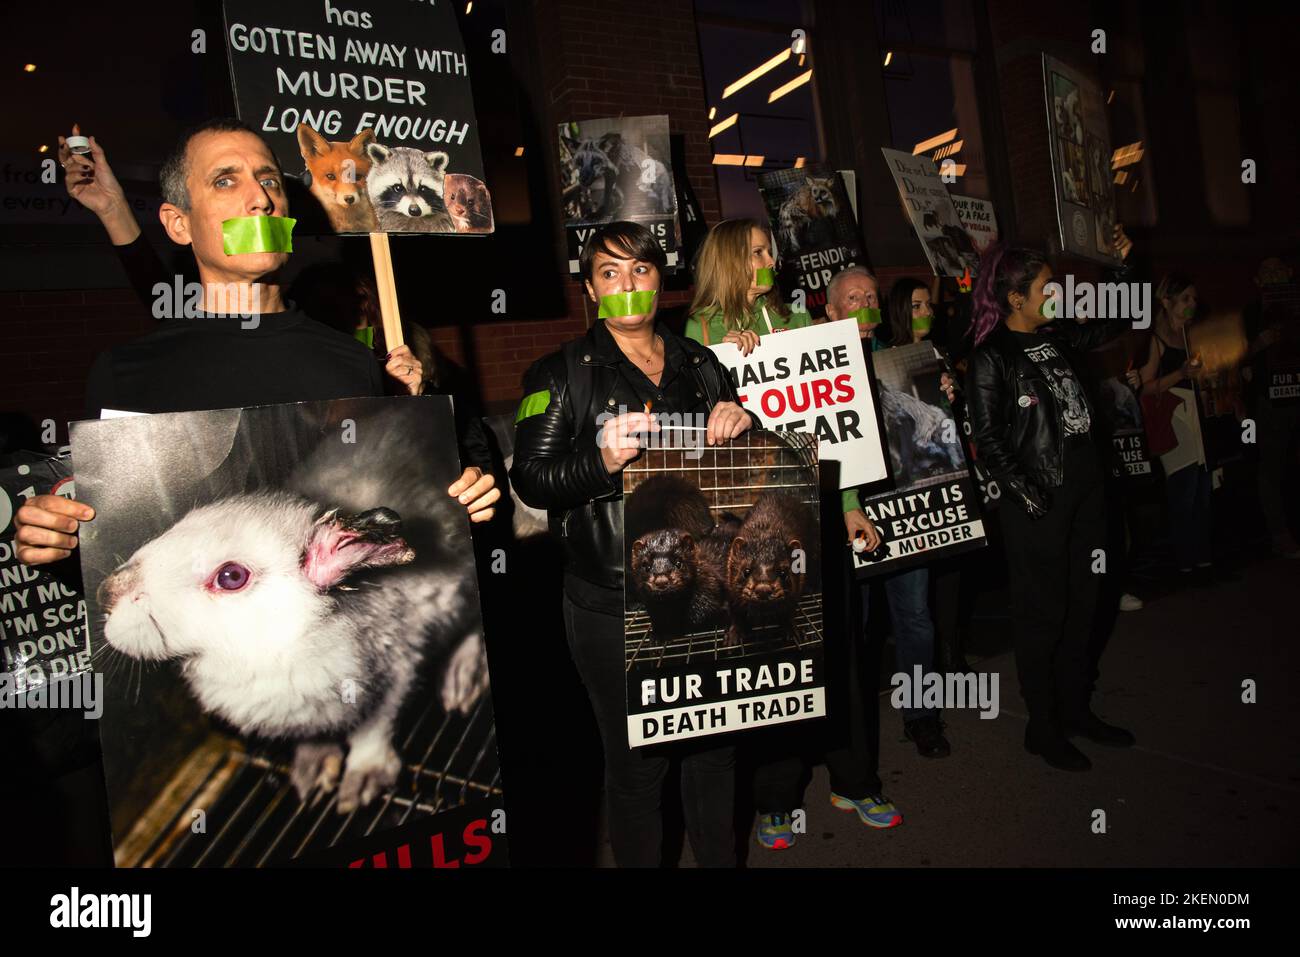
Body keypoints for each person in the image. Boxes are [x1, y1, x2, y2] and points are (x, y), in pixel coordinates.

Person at [17, 117, 499, 569]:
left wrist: (452, 498)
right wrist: (58, 539)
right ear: (178, 224)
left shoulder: (353, 363)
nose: (260, 200)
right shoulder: (127, 373)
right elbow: (116, 552)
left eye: (269, 181)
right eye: (225, 181)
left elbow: (385, 524)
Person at [509, 221, 756, 867]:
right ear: (591, 289)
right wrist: (601, 459)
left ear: (659, 278)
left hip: (705, 592)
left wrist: (740, 421)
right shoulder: (558, 374)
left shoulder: (702, 365)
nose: (627, 285)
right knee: (639, 763)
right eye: (610, 273)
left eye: (640, 270)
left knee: (715, 745)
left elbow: (741, 475)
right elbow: (531, 480)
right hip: (613, 603)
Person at [966, 243, 1135, 772]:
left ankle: (1076, 709)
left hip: (1086, 490)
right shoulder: (992, 355)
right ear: (1016, 298)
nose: (1057, 295)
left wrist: (1124, 270)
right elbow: (989, 441)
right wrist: (1030, 497)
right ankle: (1043, 727)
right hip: (1039, 500)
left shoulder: (1056, 335)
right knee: (1044, 614)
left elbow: (1118, 318)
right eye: (1047, 289)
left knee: (1087, 601)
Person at [838, 270, 952, 758]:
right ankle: (854, 731)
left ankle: (921, 717)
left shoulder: (897, 358)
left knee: (916, 619)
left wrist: (944, 391)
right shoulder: (814, 365)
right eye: (851, 299)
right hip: (849, 515)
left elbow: (932, 432)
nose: (863, 306)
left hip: (905, 508)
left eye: (870, 297)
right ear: (829, 311)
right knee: (855, 630)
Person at [1135, 273, 1216, 580]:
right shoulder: (1155, 340)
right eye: (1185, 299)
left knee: (1203, 493)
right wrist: (1180, 374)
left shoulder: (1191, 337)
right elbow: (1144, 387)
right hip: (1174, 419)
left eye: (1194, 299)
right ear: (1167, 302)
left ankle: (1203, 560)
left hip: (1197, 416)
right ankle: (1185, 563)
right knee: (1184, 492)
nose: (1192, 304)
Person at [683, 218, 811, 354]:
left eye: (770, 253)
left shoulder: (797, 316)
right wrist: (725, 354)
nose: (771, 262)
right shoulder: (700, 325)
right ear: (730, 262)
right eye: (758, 252)